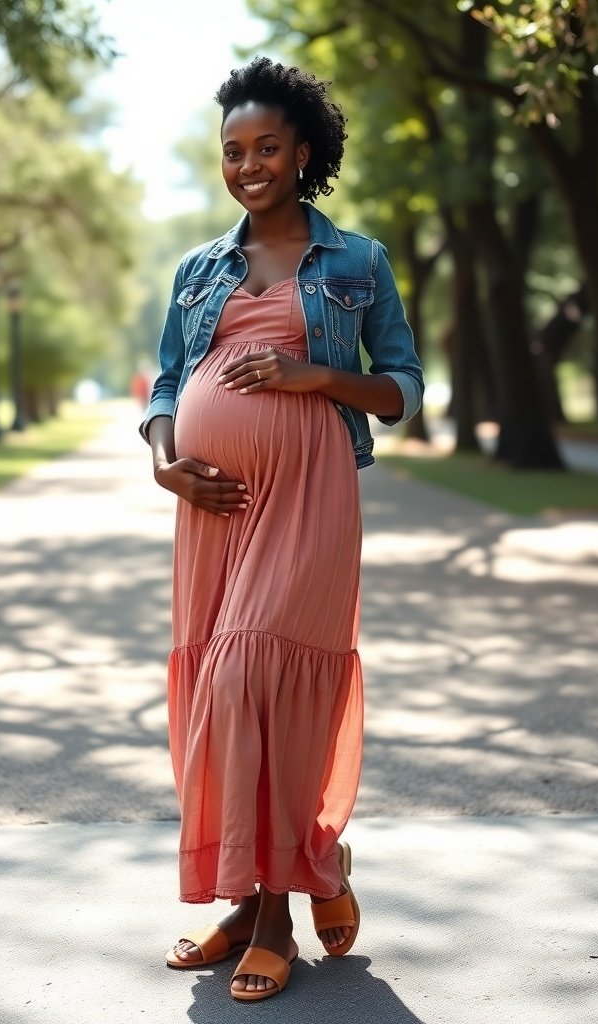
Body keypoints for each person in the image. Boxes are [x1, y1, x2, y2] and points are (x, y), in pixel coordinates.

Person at [139, 55, 424, 1003]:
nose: (248, 164)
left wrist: (316, 378)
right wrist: (165, 460)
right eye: (233, 150)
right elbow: (171, 383)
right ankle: (288, 875)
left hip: (310, 496)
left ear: (304, 152)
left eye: (267, 147)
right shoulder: (197, 268)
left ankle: (275, 920)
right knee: (218, 693)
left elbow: (402, 392)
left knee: (254, 674)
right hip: (212, 508)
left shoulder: (359, 262)